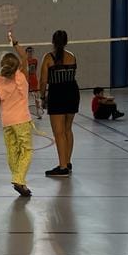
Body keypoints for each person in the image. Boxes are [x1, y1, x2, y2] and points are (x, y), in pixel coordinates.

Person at [0, 39, 34, 198]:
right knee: (26, 151)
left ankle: (19, 181)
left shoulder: (0, 82)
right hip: (21, 120)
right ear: (17, 67)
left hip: (7, 122)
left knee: (12, 152)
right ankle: (18, 179)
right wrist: (16, 43)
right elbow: (24, 57)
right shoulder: (22, 77)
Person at [40, 30, 78, 178]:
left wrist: (42, 96)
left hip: (57, 95)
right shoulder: (72, 56)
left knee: (59, 133)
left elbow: (43, 80)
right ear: (66, 41)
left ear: (53, 42)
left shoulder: (48, 58)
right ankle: (67, 162)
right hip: (73, 93)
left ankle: (62, 168)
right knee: (67, 129)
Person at [25, 46, 42, 119]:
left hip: (34, 80)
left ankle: (38, 112)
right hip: (26, 81)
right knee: (25, 97)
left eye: (31, 51)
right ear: (26, 53)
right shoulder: (24, 61)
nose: (30, 53)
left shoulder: (35, 60)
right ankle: (25, 113)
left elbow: (35, 70)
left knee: (36, 97)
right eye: (29, 52)